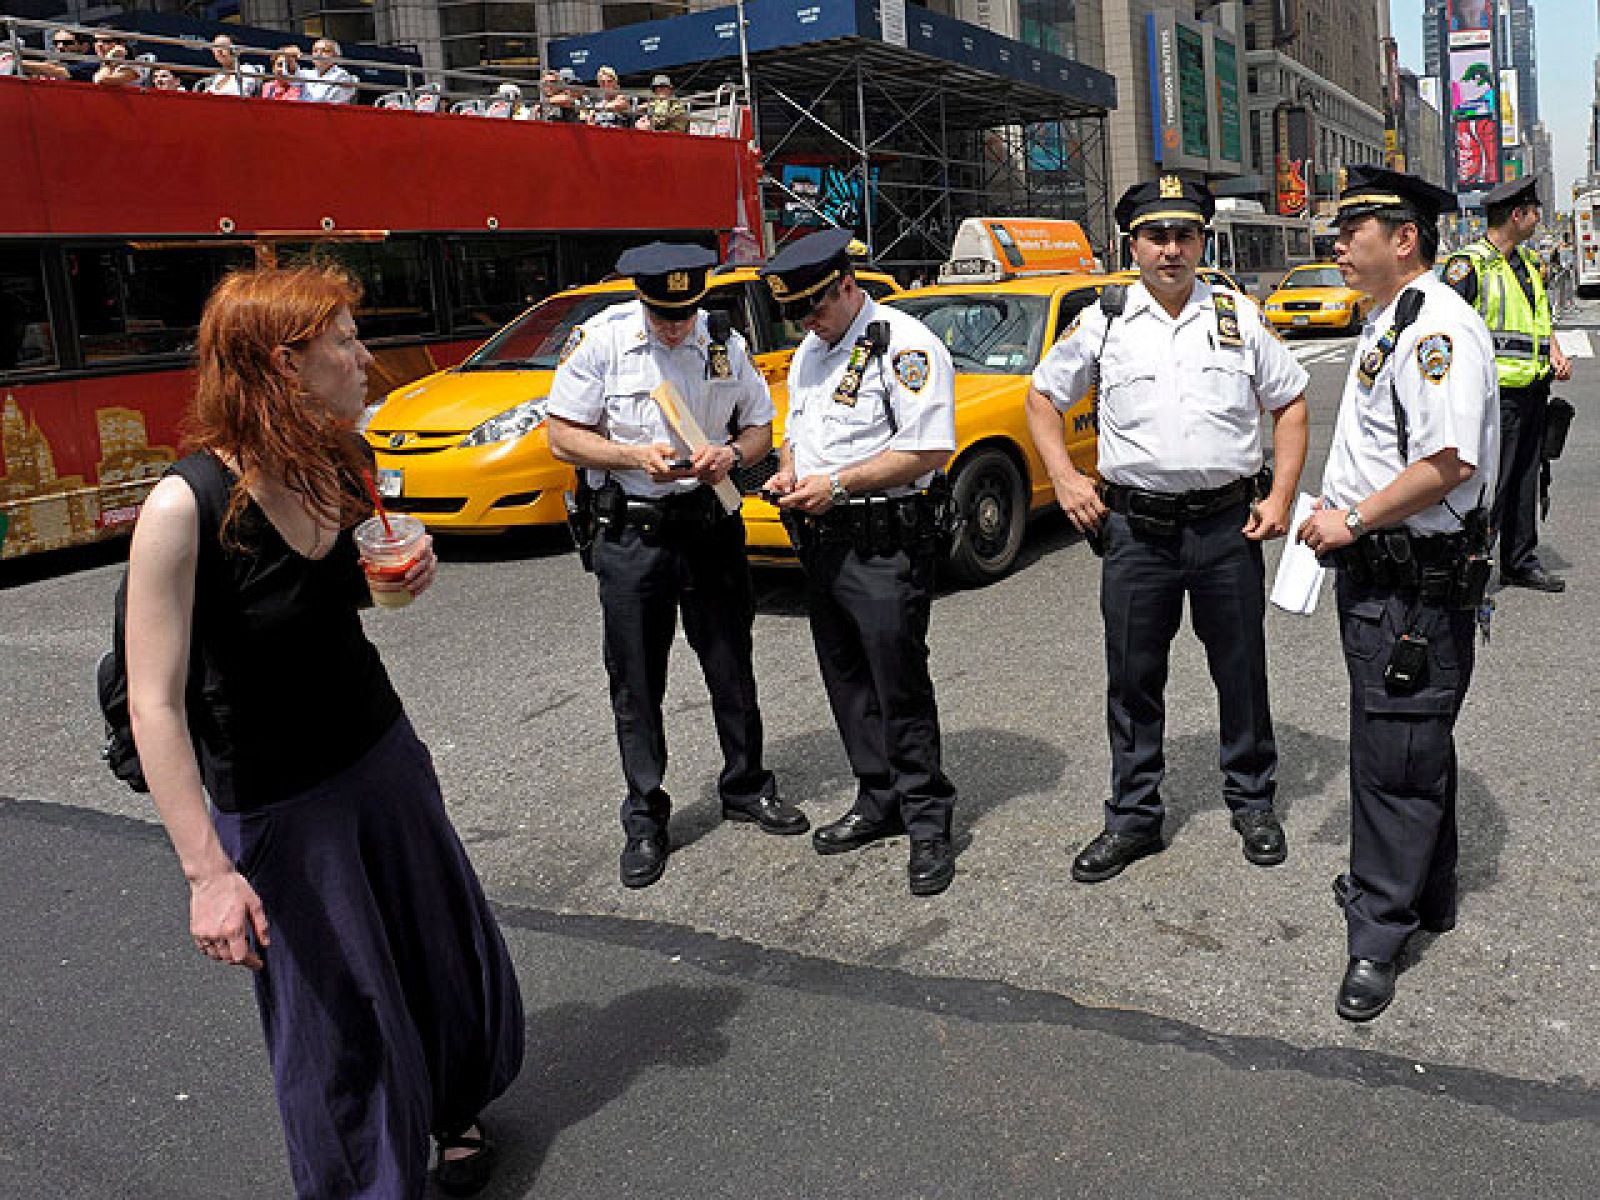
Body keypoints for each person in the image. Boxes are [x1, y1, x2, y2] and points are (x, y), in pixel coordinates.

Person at [125, 265, 524, 1196]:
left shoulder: (338, 458)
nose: (363, 357)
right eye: (344, 339)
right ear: (284, 361)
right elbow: (154, 703)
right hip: (277, 799)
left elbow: (352, 589)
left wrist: (407, 568)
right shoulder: (183, 509)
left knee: (433, 945)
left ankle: (453, 1103)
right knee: (337, 1007)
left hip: (380, 754)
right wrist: (207, 875)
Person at [1025, 176, 1309, 884]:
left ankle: (1251, 801)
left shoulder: (1238, 315)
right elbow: (1041, 397)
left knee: (1240, 672)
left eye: (1185, 235)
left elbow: (1293, 401)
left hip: (1225, 528)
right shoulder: (1105, 320)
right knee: (1133, 676)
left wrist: (1280, 497)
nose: (1172, 250)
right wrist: (1064, 478)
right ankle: (1133, 816)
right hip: (1137, 533)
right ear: (1134, 245)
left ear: (1203, 241)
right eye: (1157, 236)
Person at [1296, 167, 1499, 1023]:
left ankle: (1376, 935)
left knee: (1394, 762)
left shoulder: (1435, 332)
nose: (1338, 245)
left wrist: (1353, 519)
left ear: (1404, 237)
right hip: (1386, 582)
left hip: (1411, 586)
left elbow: (1449, 462)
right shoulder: (1396, 321)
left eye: (1354, 230)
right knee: (1408, 745)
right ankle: (1429, 891)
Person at [546, 242, 805, 889]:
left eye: (685, 312)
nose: (675, 326)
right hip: (634, 534)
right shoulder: (603, 343)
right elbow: (559, 434)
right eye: (665, 315)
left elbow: (759, 429)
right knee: (636, 679)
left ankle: (745, 785)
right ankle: (645, 816)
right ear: (642, 300)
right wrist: (635, 457)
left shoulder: (721, 341)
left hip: (709, 526)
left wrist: (729, 454)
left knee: (730, 661)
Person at [760, 228, 961, 896]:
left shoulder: (904, 344)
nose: (807, 323)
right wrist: (790, 472)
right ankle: (879, 799)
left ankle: (928, 817)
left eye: (815, 307)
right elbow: (798, 435)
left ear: (847, 285)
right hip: (821, 539)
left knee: (896, 678)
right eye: (797, 314)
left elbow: (929, 448)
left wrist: (839, 484)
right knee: (846, 677)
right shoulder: (811, 353)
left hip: (883, 540)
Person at [1442, 175, 1572, 592]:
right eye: (1534, 212)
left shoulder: (1527, 263)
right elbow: (1445, 327)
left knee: (1526, 479)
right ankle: (1473, 564)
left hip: (1533, 390)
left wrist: (1553, 348)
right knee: (1490, 485)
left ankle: (1519, 560)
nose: (1538, 219)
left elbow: (1537, 318)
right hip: (1495, 396)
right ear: (1517, 215)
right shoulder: (1469, 264)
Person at [196, 33, 262, 96]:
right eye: (215, 47)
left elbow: (239, 94)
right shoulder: (218, 76)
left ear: (236, 51)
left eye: (223, 46)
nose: (219, 50)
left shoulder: (247, 70)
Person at [23, 27, 99, 81]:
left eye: (67, 43)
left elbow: (58, 71)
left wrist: (16, 61)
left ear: (84, 45)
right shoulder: (54, 62)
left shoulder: (92, 63)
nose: (60, 46)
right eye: (56, 43)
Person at [298, 37, 358, 104]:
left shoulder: (343, 76)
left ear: (336, 57)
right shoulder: (306, 73)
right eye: (315, 51)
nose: (319, 54)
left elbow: (326, 102)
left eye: (325, 51)